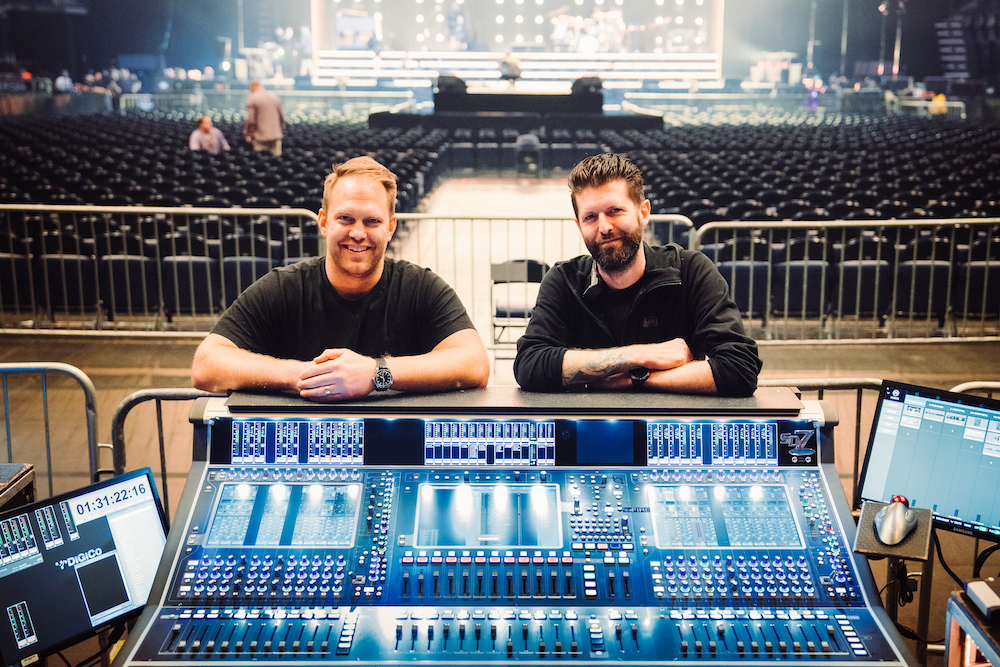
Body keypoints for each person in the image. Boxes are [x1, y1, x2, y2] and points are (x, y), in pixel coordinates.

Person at [191, 156, 490, 401]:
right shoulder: (283, 288)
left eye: (372, 221)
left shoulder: (421, 288)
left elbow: (474, 363)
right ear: (323, 221)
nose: (358, 233)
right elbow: (206, 365)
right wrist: (307, 376)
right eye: (345, 219)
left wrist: (376, 373)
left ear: (390, 227)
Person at [513, 153, 761, 397]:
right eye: (590, 217)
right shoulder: (564, 281)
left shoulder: (690, 270)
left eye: (615, 210)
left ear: (643, 213)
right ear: (579, 225)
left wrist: (634, 379)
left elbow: (739, 368)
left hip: (671, 430)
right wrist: (638, 355)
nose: (604, 227)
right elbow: (530, 365)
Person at [244, 81, 285, 156]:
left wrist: (248, 133)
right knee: (276, 161)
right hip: (275, 135)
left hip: (260, 136)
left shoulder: (253, 98)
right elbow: (282, 117)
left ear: (252, 88)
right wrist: (278, 129)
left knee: (261, 162)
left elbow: (251, 120)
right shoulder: (274, 97)